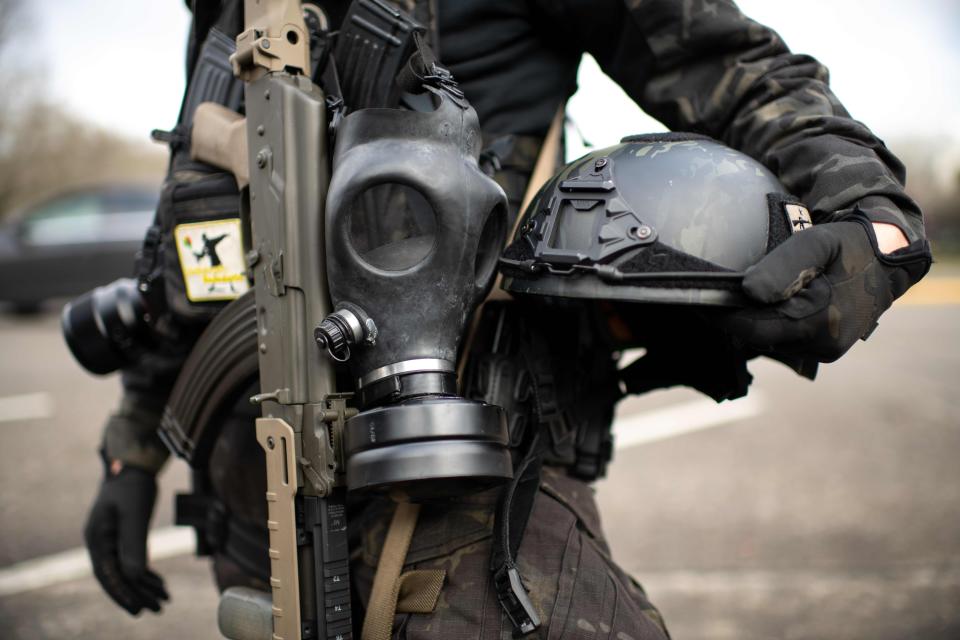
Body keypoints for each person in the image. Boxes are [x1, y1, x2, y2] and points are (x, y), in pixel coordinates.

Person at [81, 1, 931, 638]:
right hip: (257, 490)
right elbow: (195, 230)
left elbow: (733, 67)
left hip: (459, 480)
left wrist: (868, 209)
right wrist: (132, 449)